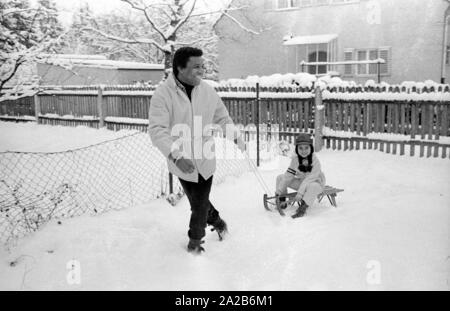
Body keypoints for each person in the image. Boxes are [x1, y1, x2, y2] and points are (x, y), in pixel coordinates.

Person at [148, 47, 246, 254]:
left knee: (199, 204)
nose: (202, 70)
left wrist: (234, 135)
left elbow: (222, 117)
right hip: (181, 160)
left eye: (203, 66)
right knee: (198, 202)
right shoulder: (163, 94)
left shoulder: (207, 90)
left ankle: (194, 242)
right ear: (180, 68)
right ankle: (218, 222)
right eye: (196, 67)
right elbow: (157, 130)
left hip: (205, 156)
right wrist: (176, 156)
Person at [275, 133, 326, 218]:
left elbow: (309, 179)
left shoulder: (315, 161)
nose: (303, 151)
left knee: (312, 186)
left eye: (306, 148)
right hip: (302, 183)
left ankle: (303, 208)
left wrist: (300, 193)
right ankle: (281, 201)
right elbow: (288, 175)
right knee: (280, 178)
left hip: (316, 184)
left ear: (311, 148)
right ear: (297, 149)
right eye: (300, 148)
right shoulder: (295, 160)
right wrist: (279, 191)